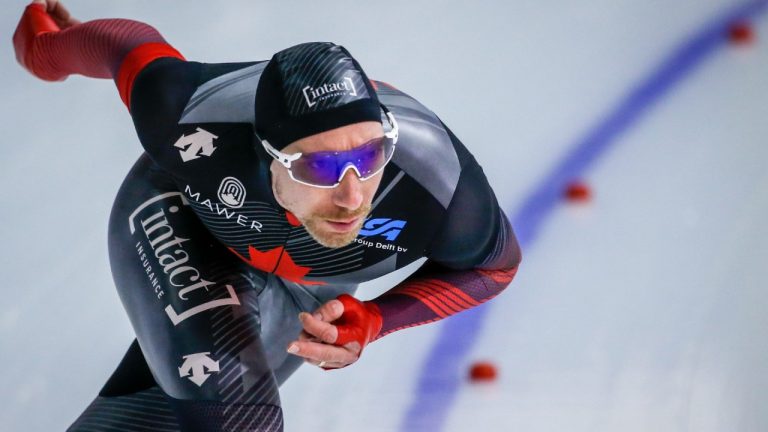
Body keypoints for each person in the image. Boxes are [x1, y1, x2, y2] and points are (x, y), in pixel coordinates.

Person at [14, 1, 522, 430]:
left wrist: (378, 318)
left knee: (174, 416)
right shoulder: (189, 114)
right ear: (266, 155)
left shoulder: (438, 185)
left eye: (369, 157)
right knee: (236, 412)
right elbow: (126, 43)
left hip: (309, 284)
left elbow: (493, 268)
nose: (352, 195)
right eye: (319, 166)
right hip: (187, 219)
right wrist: (44, 52)